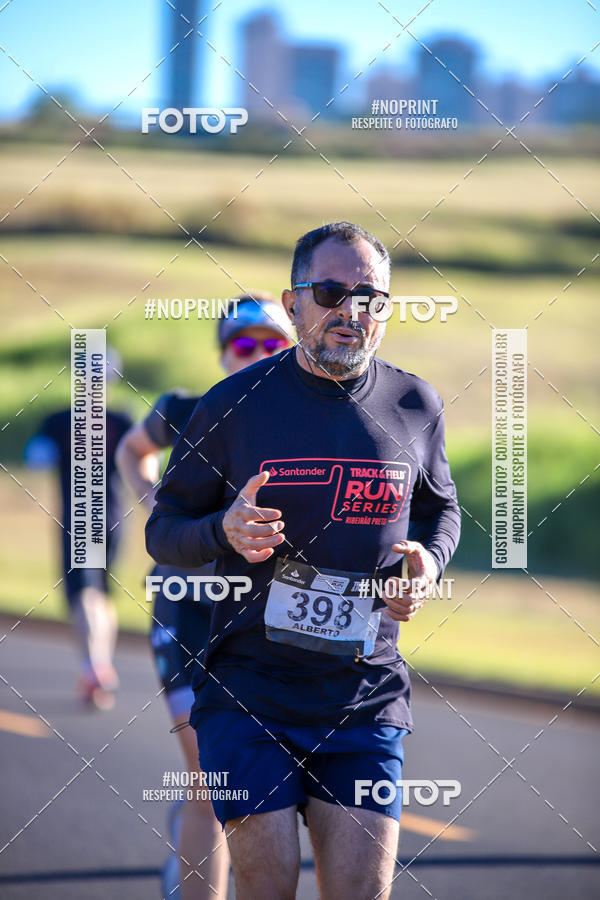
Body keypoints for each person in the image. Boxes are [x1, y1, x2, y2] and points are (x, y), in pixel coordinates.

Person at [145, 222, 461, 900]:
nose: (351, 312)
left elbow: (442, 511)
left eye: (370, 298)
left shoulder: (414, 404)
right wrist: (223, 532)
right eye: (331, 292)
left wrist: (428, 565)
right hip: (248, 693)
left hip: (364, 698)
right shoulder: (231, 407)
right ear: (293, 305)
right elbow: (164, 530)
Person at [116, 293, 293, 900]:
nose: (258, 355)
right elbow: (130, 451)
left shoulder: (310, 422)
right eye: (242, 345)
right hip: (186, 609)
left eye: (272, 343)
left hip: (263, 620)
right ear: (222, 355)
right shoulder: (185, 411)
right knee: (210, 776)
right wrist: (159, 514)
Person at [24, 348, 132, 710]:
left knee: (83, 592)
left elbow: (36, 458)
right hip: (117, 517)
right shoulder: (122, 418)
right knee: (102, 592)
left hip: (80, 517)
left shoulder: (58, 419)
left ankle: (94, 666)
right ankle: (99, 669)